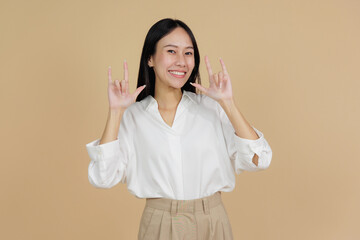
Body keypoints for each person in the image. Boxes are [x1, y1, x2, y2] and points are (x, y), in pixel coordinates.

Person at [86, 18, 272, 240]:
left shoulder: (212, 108)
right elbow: (103, 177)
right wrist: (116, 112)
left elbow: (259, 159)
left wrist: (228, 103)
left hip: (212, 221)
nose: (181, 61)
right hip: (160, 222)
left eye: (188, 53)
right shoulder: (133, 117)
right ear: (150, 58)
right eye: (171, 51)